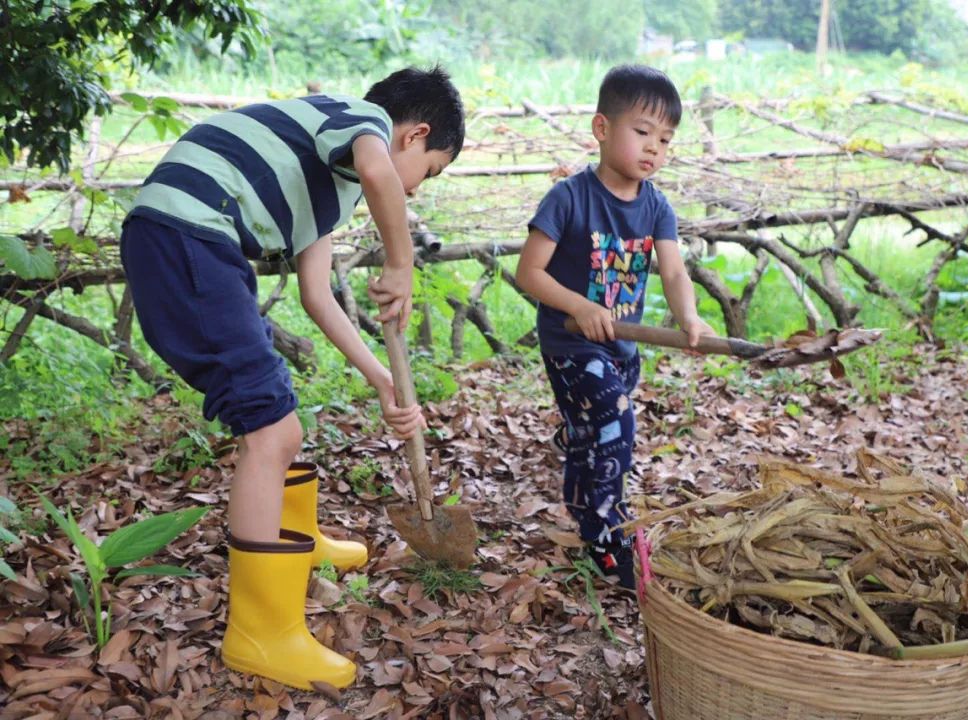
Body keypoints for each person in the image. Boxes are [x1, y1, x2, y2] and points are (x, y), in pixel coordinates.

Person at [119, 66, 465, 689]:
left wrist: (382, 378)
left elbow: (317, 297)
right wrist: (400, 260)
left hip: (189, 238)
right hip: (189, 234)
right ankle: (260, 633)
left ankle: (292, 538)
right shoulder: (359, 121)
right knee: (270, 430)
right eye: (430, 173)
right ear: (415, 134)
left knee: (278, 419)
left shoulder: (326, 179)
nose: (415, 191)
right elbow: (383, 172)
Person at [515, 65, 717, 591]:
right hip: (571, 345)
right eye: (642, 132)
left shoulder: (656, 206)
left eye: (666, 139)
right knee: (616, 425)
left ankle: (583, 503)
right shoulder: (570, 198)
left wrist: (689, 316)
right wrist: (579, 306)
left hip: (624, 348)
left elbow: (673, 270)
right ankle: (609, 540)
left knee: (596, 435)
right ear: (602, 129)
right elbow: (528, 272)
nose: (654, 148)